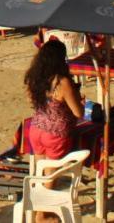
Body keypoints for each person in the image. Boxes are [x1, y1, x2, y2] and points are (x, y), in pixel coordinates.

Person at [22, 39, 84, 185]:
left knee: (40, 173)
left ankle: (37, 205)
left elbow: (30, 100)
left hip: (36, 128)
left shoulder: (35, 77)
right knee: (50, 177)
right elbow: (78, 113)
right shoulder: (62, 82)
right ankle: (42, 208)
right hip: (55, 134)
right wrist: (79, 99)